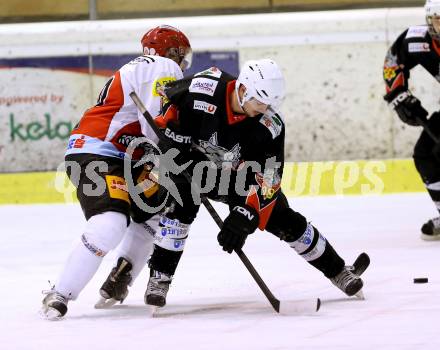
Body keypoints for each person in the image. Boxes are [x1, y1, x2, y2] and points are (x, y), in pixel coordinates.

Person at [98, 59, 367, 309]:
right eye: (259, 101)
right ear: (242, 88)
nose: (263, 109)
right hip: (190, 163)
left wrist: (245, 214)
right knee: (179, 210)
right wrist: (169, 134)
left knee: (283, 219)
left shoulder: (270, 124)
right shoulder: (204, 87)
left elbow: (269, 180)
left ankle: (339, 271)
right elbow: (168, 99)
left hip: (240, 178)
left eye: (269, 104)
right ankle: (160, 278)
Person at [40, 25, 192, 320]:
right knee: (110, 222)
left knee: (158, 205)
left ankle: (121, 276)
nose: (183, 62)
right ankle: (61, 292)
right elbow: (155, 128)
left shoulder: (141, 67)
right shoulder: (164, 67)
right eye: (181, 54)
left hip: (123, 157)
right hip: (100, 152)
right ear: (171, 51)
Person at [383, 0, 440, 240]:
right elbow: (393, 60)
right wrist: (399, 95)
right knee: (426, 153)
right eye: (438, 19)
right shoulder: (418, 40)